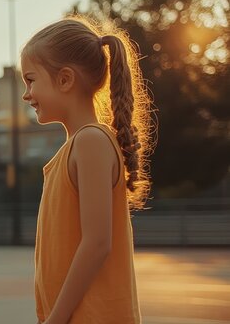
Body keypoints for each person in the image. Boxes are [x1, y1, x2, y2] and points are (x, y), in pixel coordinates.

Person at [20, 17, 155, 324]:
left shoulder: (91, 141)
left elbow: (97, 244)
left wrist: (57, 318)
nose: (26, 94)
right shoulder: (75, 147)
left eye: (30, 80)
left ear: (65, 79)